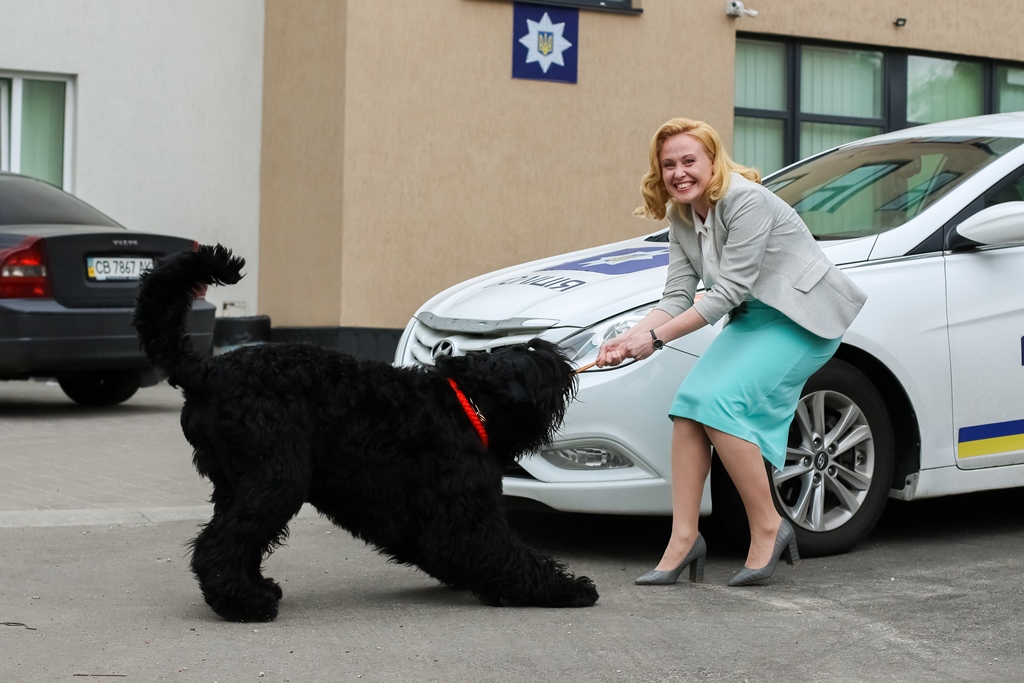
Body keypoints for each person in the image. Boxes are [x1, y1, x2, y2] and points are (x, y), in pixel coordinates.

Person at [597, 118, 867, 587]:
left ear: (712, 161)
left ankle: (768, 525)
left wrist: (656, 340)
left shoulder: (746, 201)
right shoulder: (682, 215)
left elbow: (724, 293)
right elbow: (677, 295)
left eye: (688, 161)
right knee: (688, 410)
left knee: (719, 407)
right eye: (668, 165)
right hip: (755, 319)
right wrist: (629, 337)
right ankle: (684, 539)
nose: (679, 173)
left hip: (801, 319)